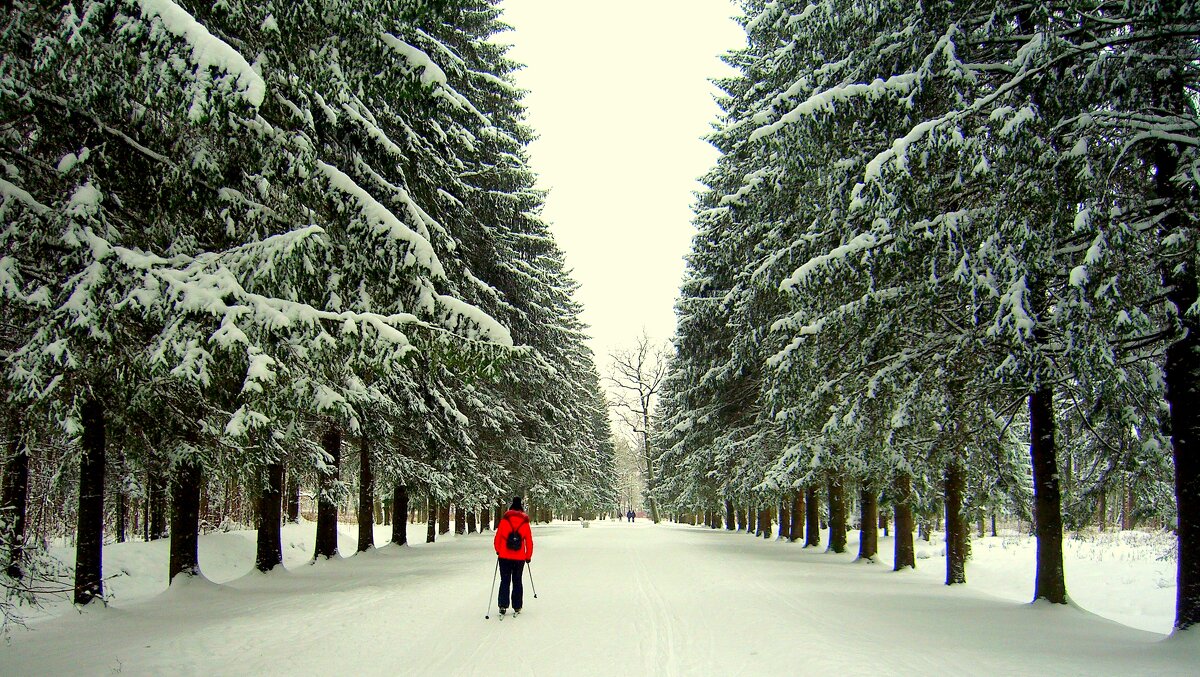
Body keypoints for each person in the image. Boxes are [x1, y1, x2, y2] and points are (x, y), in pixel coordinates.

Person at [493, 496, 533, 616]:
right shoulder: (525, 522)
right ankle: (517, 606)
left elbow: (498, 537)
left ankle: (503, 605)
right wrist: (528, 556)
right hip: (519, 558)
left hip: (504, 556)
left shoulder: (505, 520)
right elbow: (529, 541)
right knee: (517, 580)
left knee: (504, 580)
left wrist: (498, 550)